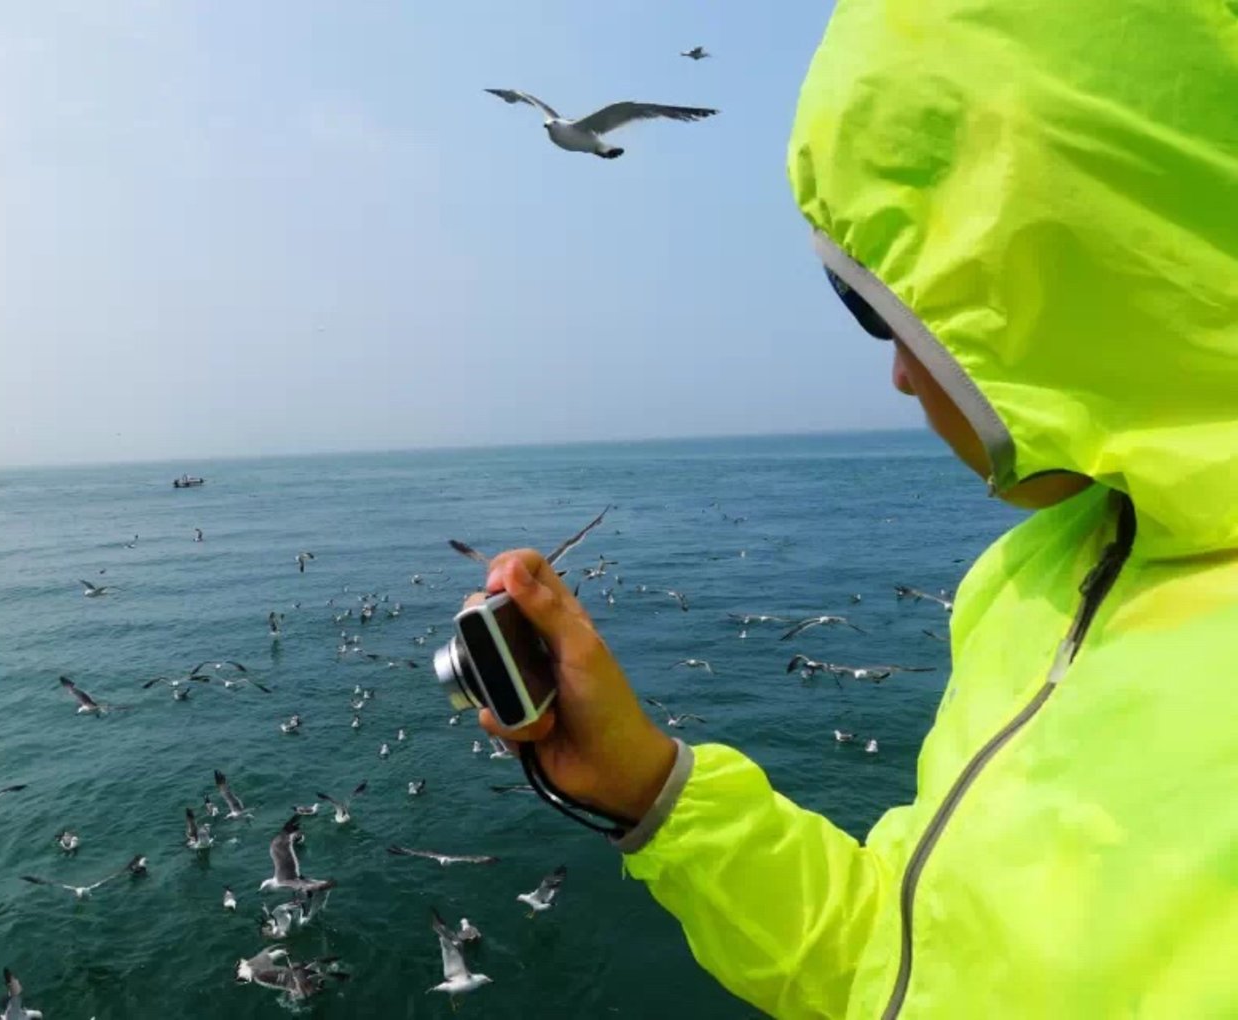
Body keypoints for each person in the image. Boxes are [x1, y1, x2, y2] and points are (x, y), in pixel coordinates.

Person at [470, 1, 1238, 1016]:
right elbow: (902, 961)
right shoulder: (1032, 583)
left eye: (890, 309)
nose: (900, 376)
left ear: (1061, 273)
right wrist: (647, 788)